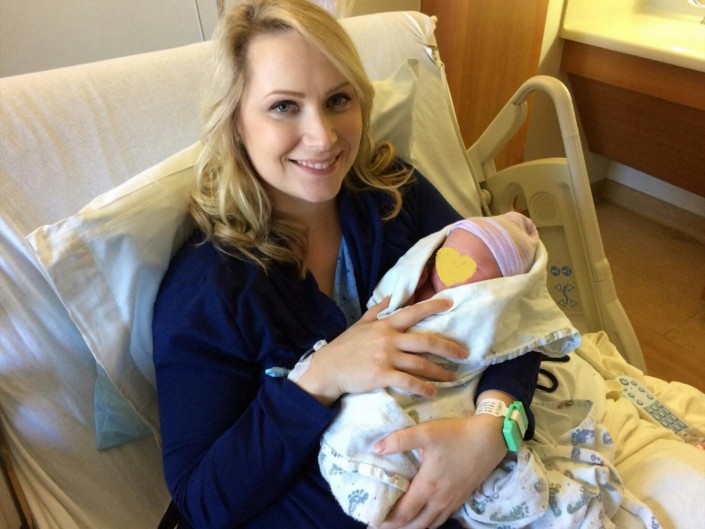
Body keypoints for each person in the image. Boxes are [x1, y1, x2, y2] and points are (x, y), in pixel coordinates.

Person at [151, 1, 543, 528]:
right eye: (284, 106)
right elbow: (201, 500)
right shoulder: (210, 289)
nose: (324, 137)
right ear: (236, 122)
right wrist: (319, 379)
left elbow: (507, 304)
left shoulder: (395, 195)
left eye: (338, 99)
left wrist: (494, 428)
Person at [300, 212, 580, 527]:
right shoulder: (417, 277)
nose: (444, 270)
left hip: (448, 417)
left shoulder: (402, 199)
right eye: (444, 257)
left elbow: (522, 332)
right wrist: (321, 375)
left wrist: (492, 425)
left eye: (469, 265)